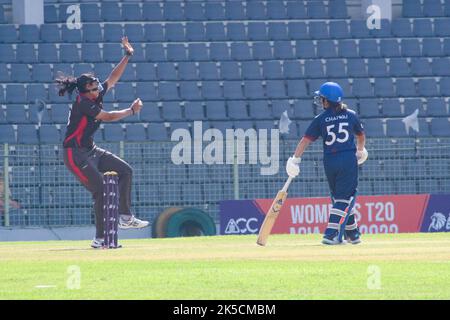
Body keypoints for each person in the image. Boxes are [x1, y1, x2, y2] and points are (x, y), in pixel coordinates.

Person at [56, 37, 149, 248]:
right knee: (100, 191)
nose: (96, 91)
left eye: (96, 87)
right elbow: (107, 117)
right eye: (91, 89)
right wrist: (131, 111)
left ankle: (125, 216)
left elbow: (113, 78)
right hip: (74, 154)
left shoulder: (95, 93)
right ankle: (99, 239)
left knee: (125, 171)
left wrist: (127, 56)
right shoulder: (83, 102)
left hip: (91, 150)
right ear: (83, 92)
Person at [286, 82, 368, 245]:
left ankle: (353, 234)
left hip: (330, 161)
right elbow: (360, 135)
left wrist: (295, 159)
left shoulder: (321, 119)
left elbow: (305, 141)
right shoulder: (351, 115)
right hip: (347, 159)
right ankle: (330, 235)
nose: (320, 101)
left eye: (322, 98)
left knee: (340, 198)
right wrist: (360, 150)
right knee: (345, 197)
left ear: (327, 101)